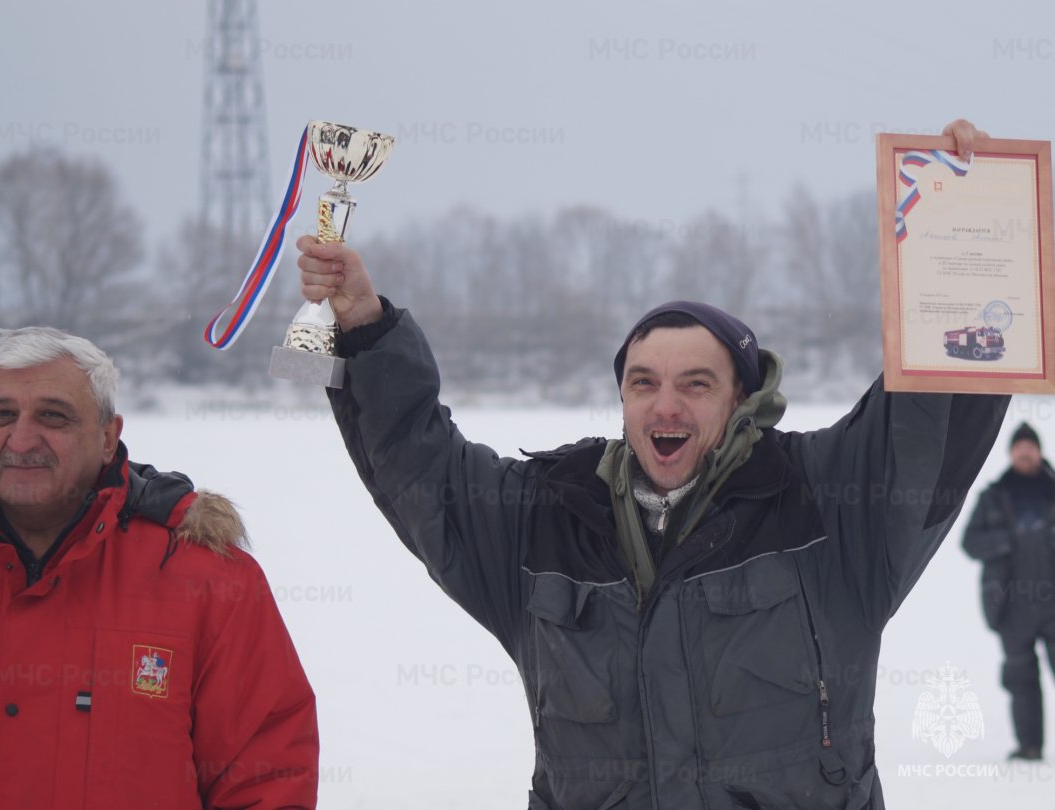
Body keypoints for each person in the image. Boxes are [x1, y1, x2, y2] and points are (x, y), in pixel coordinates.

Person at [297, 120, 1008, 809]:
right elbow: (423, 474)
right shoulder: (546, 521)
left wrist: (965, 227)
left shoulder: (828, 505)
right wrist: (364, 326)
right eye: (643, 383)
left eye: (696, 384)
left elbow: (930, 423)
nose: (665, 407)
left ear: (741, 400)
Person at [0, 327, 319, 808]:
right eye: (1, 415)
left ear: (107, 438)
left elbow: (267, 781)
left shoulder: (208, 581)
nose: (22, 437)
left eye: (53, 416)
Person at [963, 422, 1055, 762]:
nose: (1025, 452)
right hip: (1012, 607)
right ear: (1011, 453)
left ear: (1039, 451)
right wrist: (1005, 542)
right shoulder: (993, 496)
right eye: (1020, 447)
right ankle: (1030, 747)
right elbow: (970, 543)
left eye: (1030, 446)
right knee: (1021, 682)